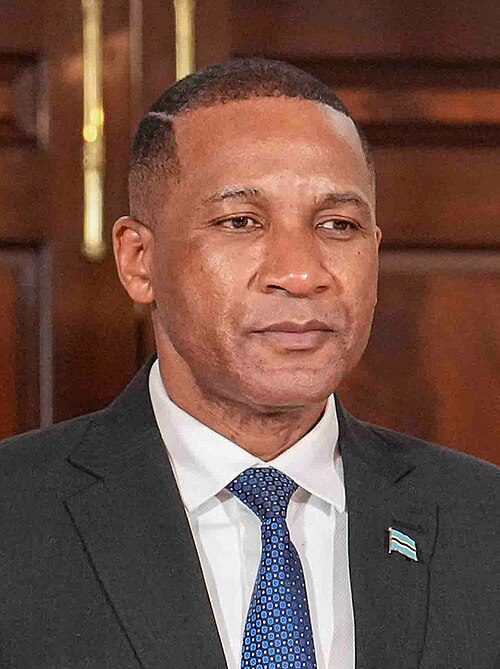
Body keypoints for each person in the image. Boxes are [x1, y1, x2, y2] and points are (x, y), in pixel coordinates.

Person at [0, 58, 498, 669]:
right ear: (139, 260)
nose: (301, 273)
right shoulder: (15, 516)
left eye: (338, 224)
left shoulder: (482, 523)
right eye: (241, 222)